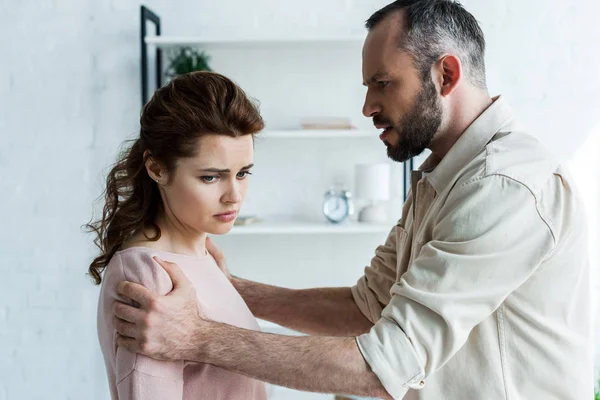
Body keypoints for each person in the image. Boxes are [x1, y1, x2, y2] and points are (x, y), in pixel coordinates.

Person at [111, 1, 594, 399]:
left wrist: (196, 337)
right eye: (367, 87)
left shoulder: (505, 186)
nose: (367, 107)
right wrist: (232, 288)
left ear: (445, 75)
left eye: (382, 83)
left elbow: (384, 367)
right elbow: (367, 309)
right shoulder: (442, 177)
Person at [87, 71, 268, 399]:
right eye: (211, 177)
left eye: (243, 173)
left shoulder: (205, 256)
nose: (234, 195)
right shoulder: (146, 274)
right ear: (156, 168)